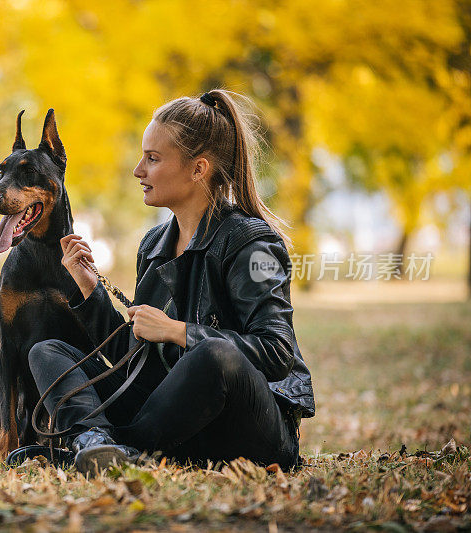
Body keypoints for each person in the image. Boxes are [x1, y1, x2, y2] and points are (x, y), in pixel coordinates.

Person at [26, 90, 315, 475]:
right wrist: (90, 289)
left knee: (214, 356)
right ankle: (94, 443)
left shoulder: (254, 244)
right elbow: (136, 354)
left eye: (153, 158)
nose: (138, 170)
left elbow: (277, 352)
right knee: (47, 352)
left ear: (199, 169)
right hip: (172, 423)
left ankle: (120, 448)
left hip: (246, 430)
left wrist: (180, 332)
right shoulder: (153, 245)